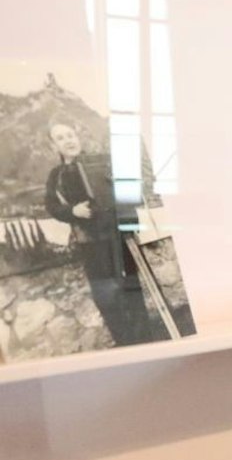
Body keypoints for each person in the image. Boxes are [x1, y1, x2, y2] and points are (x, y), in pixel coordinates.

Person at [42, 121, 168, 346]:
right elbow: (51, 206)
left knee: (132, 289)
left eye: (70, 134)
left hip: (119, 237)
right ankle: (125, 342)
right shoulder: (56, 175)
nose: (68, 140)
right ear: (53, 146)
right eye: (60, 138)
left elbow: (127, 188)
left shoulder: (101, 161)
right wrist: (72, 211)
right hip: (90, 243)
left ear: (78, 137)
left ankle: (145, 341)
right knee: (106, 296)